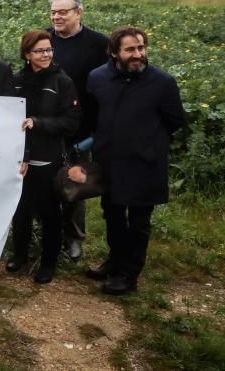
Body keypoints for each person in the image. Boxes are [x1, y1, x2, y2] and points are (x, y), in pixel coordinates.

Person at [80, 26, 185, 295]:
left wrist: (146, 141)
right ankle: (115, 262)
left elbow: (175, 121)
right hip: (110, 162)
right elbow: (93, 116)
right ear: (114, 52)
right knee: (113, 216)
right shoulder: (97, 78)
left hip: (144, 164)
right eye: (130, 49)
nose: (138, 54)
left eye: (141, 48)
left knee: (139, 222)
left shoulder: (162, 83)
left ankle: (129, 274)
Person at [8, 30, 81, 284]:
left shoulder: (62, 82)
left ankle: (48, 262)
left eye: (49, 49)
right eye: (39, 51)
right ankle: (19, 255)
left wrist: (38, 123)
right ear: (27, 55)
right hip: (19, 159)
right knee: (21, 211)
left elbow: (71, 123)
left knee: (50, 213)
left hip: (47, 160)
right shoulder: (16, 81)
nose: (46, 54)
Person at [46, 0, 108, 261]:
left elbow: (105, 88)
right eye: (53, 12)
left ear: (79, 12)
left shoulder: (98, 44)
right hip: (47, 126)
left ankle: (74, 239)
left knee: (74, 185)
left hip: (81, 130)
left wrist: (97, 130)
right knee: (46, 183)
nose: (57, 17)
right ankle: (48, 233)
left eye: (63, 12)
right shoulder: (43, 39)